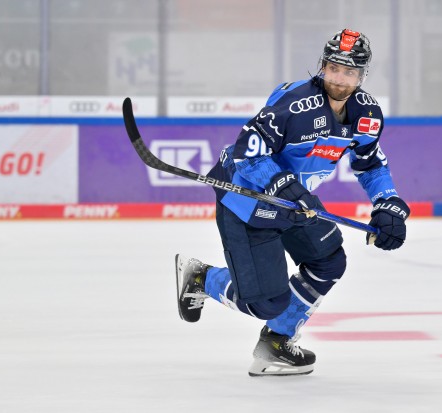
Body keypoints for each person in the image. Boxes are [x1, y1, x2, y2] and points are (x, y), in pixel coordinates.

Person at [175, 29, 410, 377]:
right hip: (247, 201)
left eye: (349, 72)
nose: (340, 79)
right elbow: (247, 154)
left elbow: (371, 163)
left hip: (293, 204)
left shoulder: (367, 114)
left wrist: (387, 202)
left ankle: (276, 342)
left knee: (328, 261)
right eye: (334, 68)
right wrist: (285, 186)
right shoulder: (295, 105)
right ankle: (201, 278)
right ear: (322, 66)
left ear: (362, 76)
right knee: (266, 303)